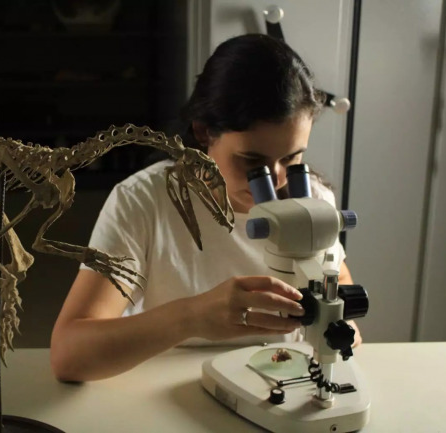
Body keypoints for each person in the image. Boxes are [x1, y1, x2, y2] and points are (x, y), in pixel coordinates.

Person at [49, 34, 362, 382]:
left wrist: (341, 321)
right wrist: (192, 317)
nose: (275, 181)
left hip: (279, 378)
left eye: (291, 159)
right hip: (163, 385)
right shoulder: (143, 201)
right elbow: (68, 355)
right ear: (203, 132)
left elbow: (337, 278)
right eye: (252, 161)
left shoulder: (313, 199)